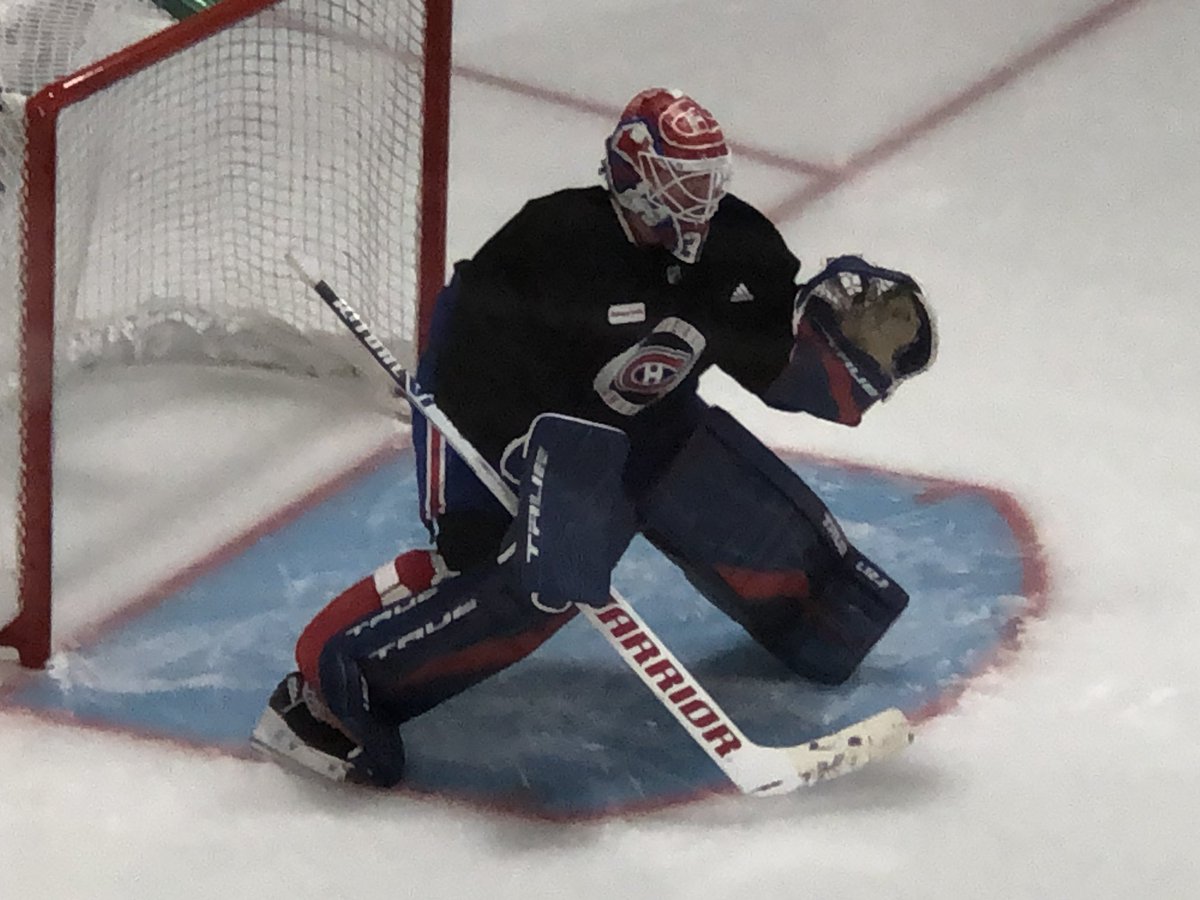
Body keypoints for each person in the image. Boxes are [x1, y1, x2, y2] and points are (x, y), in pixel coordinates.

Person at [252, 88, 935, 787]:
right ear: (637, 176)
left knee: (739, 509)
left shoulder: (738, 247)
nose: (702, 200)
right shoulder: (551, 244)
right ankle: (326, 692)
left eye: (709, 181)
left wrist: (831, 360)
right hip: (530, 434)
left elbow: (770, 363)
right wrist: (475, 503)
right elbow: (455, 373)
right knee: (522, 579)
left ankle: (818, 622)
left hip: (647, 428)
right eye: (683, 183)